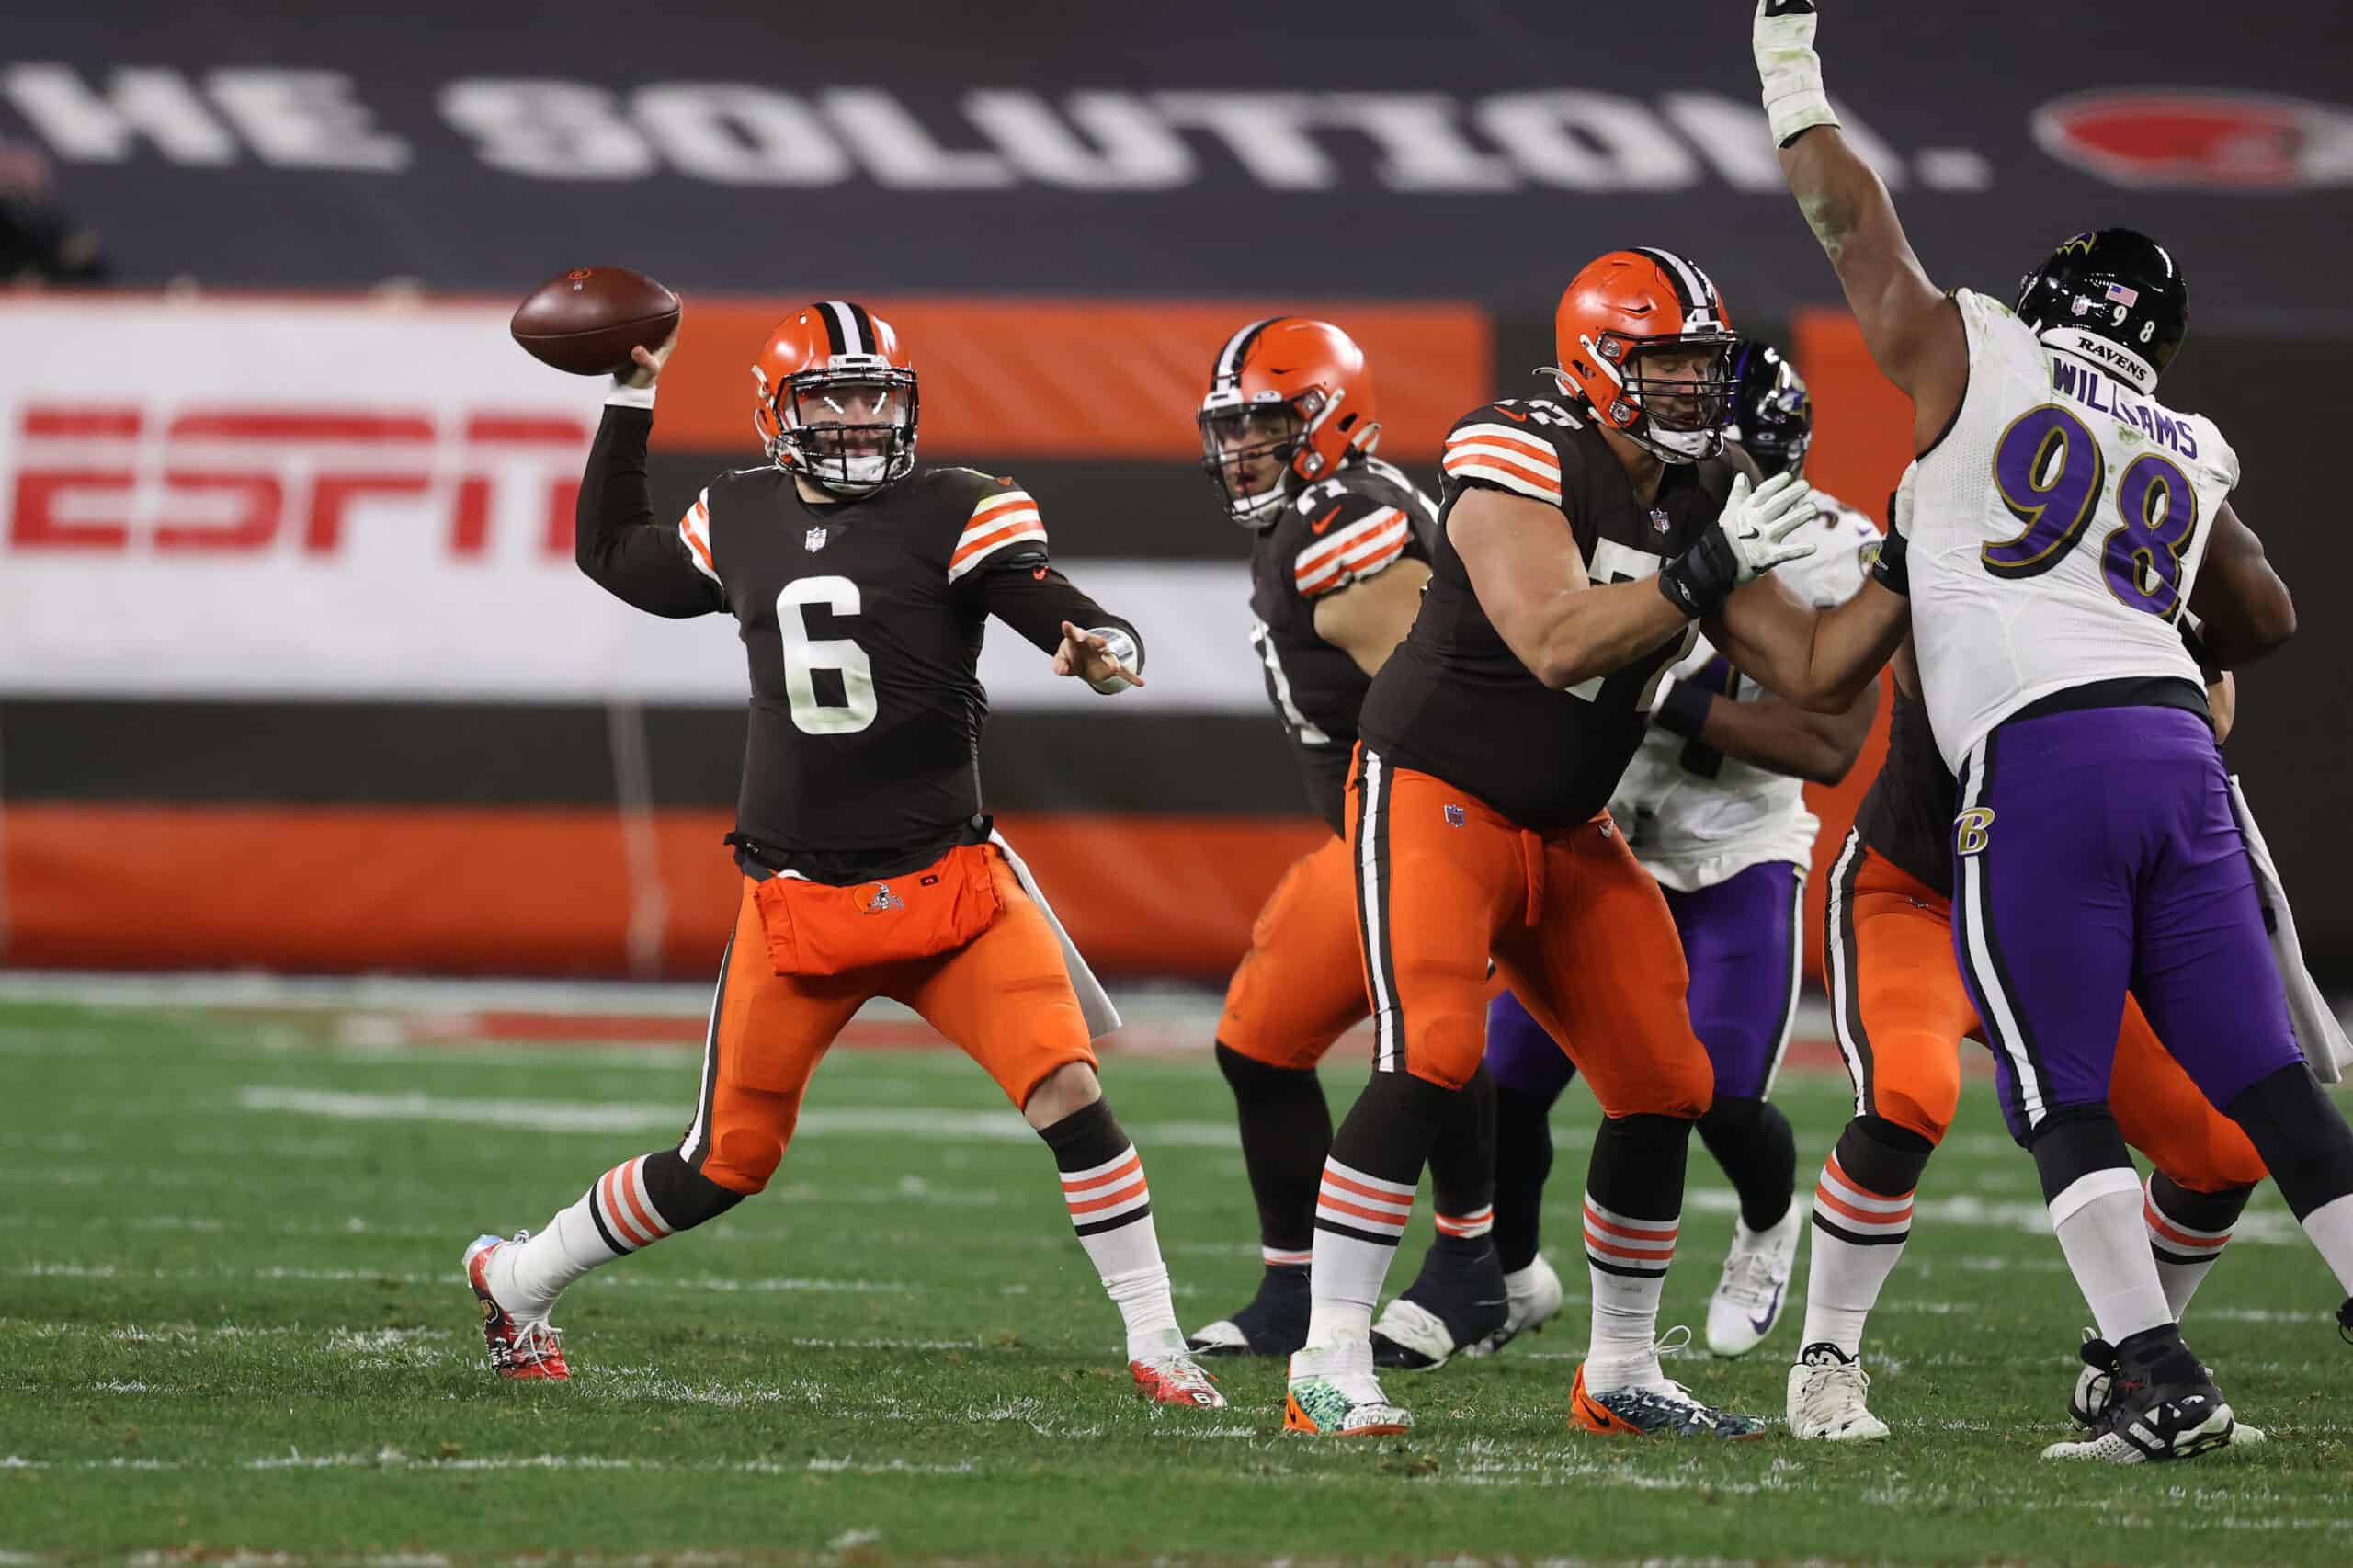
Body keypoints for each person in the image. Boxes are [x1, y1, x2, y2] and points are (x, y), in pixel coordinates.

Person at [1756, 0, 2353, 1461]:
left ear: (2043, 301)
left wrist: (1787, 70)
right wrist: (2167, 640)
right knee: (2269, 1077)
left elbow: (1852, 222)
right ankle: (2132, 1352)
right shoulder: (2188, 442)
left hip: (2045, 761)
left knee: (2053, 1090)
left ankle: (2154, 1373)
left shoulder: (1981, 355)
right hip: (2175, 752)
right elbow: (2265, 613)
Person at [461, 301, 1223, 1408]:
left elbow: (1056, 606)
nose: (861, 418)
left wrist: (1103, 646)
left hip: (950, 883)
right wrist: (628, 397)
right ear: (779, 412)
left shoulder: (962, 505)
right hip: (799, 898)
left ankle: (1159, 1343)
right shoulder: (740, 510)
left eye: (878, 394)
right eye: (833, 397)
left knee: (1069, 1089)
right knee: (724, 1161)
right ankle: (517, 1276)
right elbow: (614, 556)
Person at [1281, 244, 1911, 1438]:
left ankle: (1619, 1368)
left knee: (1666, 1081)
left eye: (1704, 364)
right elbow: (1556, 640)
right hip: (1439, 791)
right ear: (1596, 361)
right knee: (1431, 1053)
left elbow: (1819, 678)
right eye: (1665, 363)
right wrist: (1703, 571)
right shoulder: (1517, 446)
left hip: (1569, 823)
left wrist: (1903, 568)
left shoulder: (1709, 483)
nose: (1692, 387)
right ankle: (1325, 1357)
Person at [1468, 344, 1881, 1364]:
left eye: (1717, 424)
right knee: (1507, 1079)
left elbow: (1828, 744)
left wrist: (1658, 692)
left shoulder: (1831, 545)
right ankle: (1508, 1279)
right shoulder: (1621, 509)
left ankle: (1764, 1223)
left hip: (1737, 844)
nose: (1699, 440)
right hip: (1614, 832)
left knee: (1720, 1093)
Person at [1790, 634, 2268, 1443]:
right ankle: (1823, 1364)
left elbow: (2215, 710)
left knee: (2224, 1147)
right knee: (1910, 1093)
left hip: (2048, 917)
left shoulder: (2124, 573)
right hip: (1918, 900)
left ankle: (2131, 1366)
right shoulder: (1962, 557)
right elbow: (1894, 668)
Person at [1183, 318, 1506, 1363]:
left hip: (1426, 822)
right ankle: (1296, 1286)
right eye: (1230, 429)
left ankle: (1473, 1264)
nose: (1242, 449)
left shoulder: (1341, 522)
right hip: (1371, 828)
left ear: (1330, 417)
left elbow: (1443, 699)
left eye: (1266, 425)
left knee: (1433, 1035)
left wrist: (1449, 857)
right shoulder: (1317, 512)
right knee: (1260, 1043)